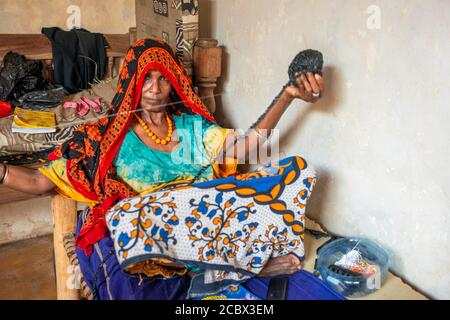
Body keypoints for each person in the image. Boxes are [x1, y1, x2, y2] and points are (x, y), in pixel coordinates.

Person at [0, 39, 341, 300]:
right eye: (145, 78)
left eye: (162, 79)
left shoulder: (192, 127)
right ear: (131, 82)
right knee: (125, 232)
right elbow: (38, 181)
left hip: (204, 221)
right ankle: (225, 274)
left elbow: (244, 147)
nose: (153, 87)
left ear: (174, 82)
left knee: (293, 170)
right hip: (154, 230)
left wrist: (287, 96)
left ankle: (220, 272)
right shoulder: (107, 138)